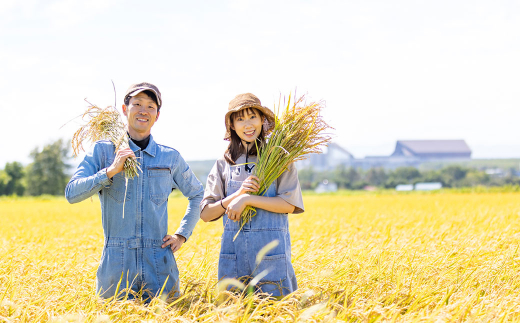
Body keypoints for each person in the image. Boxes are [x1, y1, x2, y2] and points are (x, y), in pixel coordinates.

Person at [65, 82, 204, 300]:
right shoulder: (103, 150)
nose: (143, 110)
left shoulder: (170, 158)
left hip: (159, 263)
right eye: (137, 104)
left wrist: (182, 234)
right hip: (116, 264)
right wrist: (110, 171)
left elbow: (197, 194)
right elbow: (72, 193)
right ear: (124, 109)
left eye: (150, 106)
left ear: (157, 115)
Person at [200, 93, 304, 296]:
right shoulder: (224, 163)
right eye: (240, 119)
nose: (248, 125)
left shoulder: (280, 158)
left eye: (253, 117)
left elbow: (289, 204)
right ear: (231, 125)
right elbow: (206, 214)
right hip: (234, 260)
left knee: (277, 313)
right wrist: (237, 196)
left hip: (272, 259)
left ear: (262, 121)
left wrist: (247, 199)